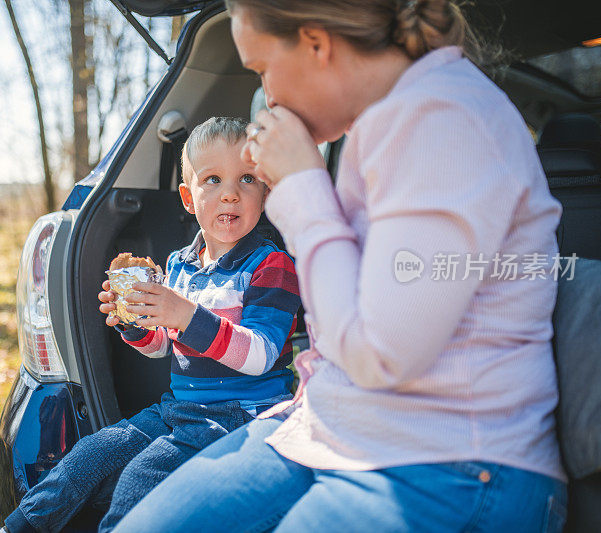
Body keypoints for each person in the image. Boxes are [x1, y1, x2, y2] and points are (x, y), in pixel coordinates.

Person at [111, 1, 568, 531]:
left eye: (262, 70)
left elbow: (378, 354)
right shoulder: (382, 125)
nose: (270, 97)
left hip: (448, 459)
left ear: (316, 44)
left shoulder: (444, 118)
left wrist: (304, 186)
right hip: (328, 424)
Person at [0, 116, 301, 533]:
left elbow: (261, 354)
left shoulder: (271, 265)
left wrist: (184, 315)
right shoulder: (179, 265)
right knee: (91, 455)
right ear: (188, 198)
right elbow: (163, 347)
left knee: (138, 482)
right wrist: (134, 324)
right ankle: (17, 527)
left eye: (246, 179)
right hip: (180, 407)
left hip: (242, 415)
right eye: (212, 180)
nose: (229, 193)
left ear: (264, 191)